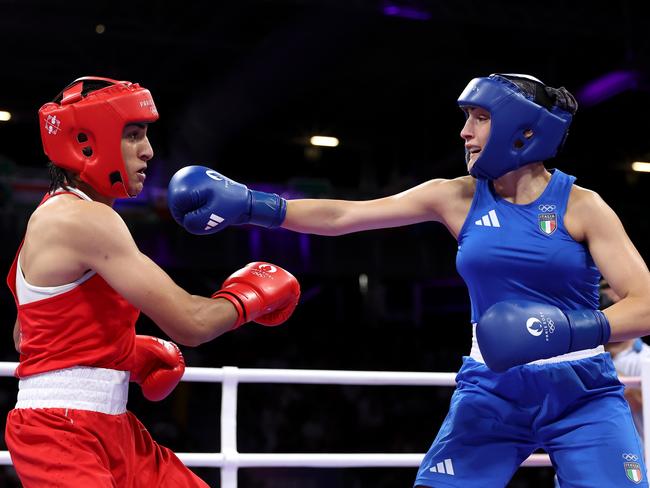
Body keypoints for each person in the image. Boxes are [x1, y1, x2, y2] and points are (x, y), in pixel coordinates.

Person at [166, 73, 650, 487]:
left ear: (524, 130)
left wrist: (564, 330)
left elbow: (645, 303)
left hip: (582, 388)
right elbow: (345, 215)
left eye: (480, 118)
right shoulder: (456, 197)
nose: (464, 132)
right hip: (493, 388)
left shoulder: (581, 205)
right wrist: (255, 205)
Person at [5, 76, 301, 487]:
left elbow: (27, 336)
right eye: (133, 135)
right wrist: (248, 297)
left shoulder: (55, 213)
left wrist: (125, 352)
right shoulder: (85, 219)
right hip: (61, 432)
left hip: (109, 426)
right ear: (88, 142)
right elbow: (191, 323)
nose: (148, 151)